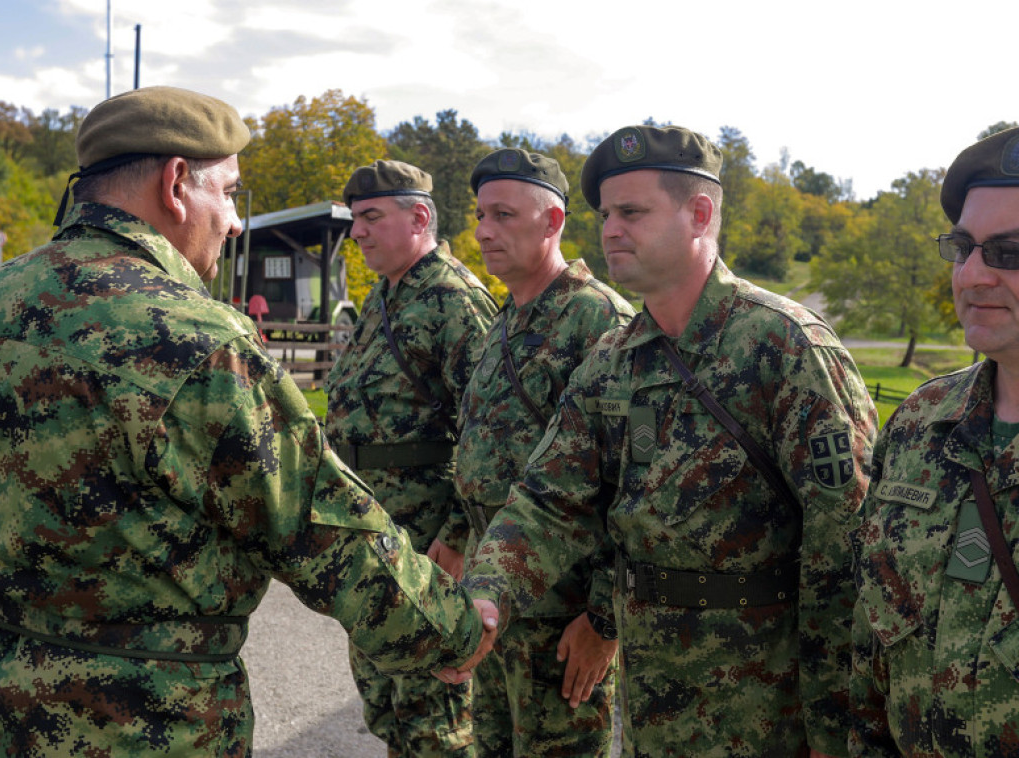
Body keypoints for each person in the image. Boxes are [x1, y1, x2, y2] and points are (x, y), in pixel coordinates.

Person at [0, 86, 495, 758]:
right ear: (177, 184)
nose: (233, 221)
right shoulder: (193, 337)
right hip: (149, 722)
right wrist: (452, 629)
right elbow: (321, 525)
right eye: (228, 192)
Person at [453, 125, 877, 757]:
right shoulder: (613, 359)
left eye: (632, 212)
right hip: (656, 702)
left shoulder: (782, 346)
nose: (610, 230)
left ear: (699, 214)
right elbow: (549, 499)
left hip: (765, 704)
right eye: (605, 214)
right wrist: (488, 592)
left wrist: (835, 723)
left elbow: (848, 543)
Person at [435, 147, 634, 755]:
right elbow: (483, 444)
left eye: (502, 215)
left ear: (552, 223)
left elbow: (628, 483)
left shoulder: (594, 318)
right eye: (479, 215)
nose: (483, 231)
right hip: (500, 609)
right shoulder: (508, 318)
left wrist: (604, 621)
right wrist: (457, 533)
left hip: (562, 620)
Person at [850, 126, 1019, 756]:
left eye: (1009, 252)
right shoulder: (922, 420)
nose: (972, 274)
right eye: (965, 247)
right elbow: (871, 638)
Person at [325, 159, 498, 757]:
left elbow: (488, 432)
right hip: (375, 539)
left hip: (428, 545)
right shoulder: (383, 298)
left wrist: (457, 534)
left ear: (419, 216)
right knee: (387, 705)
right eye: (356, 220)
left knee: (437, 723)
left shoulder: (455, 300)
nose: (358, 233)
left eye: (371, 217)